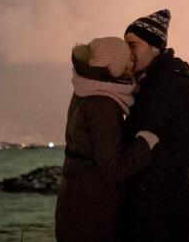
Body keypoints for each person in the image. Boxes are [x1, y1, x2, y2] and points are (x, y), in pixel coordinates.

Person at [55, 36, 159, 242]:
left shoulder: (83, 92)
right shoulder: (103, 104)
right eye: (127, 60)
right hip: (93, 216)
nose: (132, 63)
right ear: (113, 65)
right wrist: (145, 143)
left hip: (74, 206)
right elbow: (113, 169)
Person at [123, 9, 189, 242]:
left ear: (155, 47)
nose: (127, 52)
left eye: (133, 45)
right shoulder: (145, 83)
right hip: (149, 209)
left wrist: (148, 152)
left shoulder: (174, 83)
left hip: (165, 212)